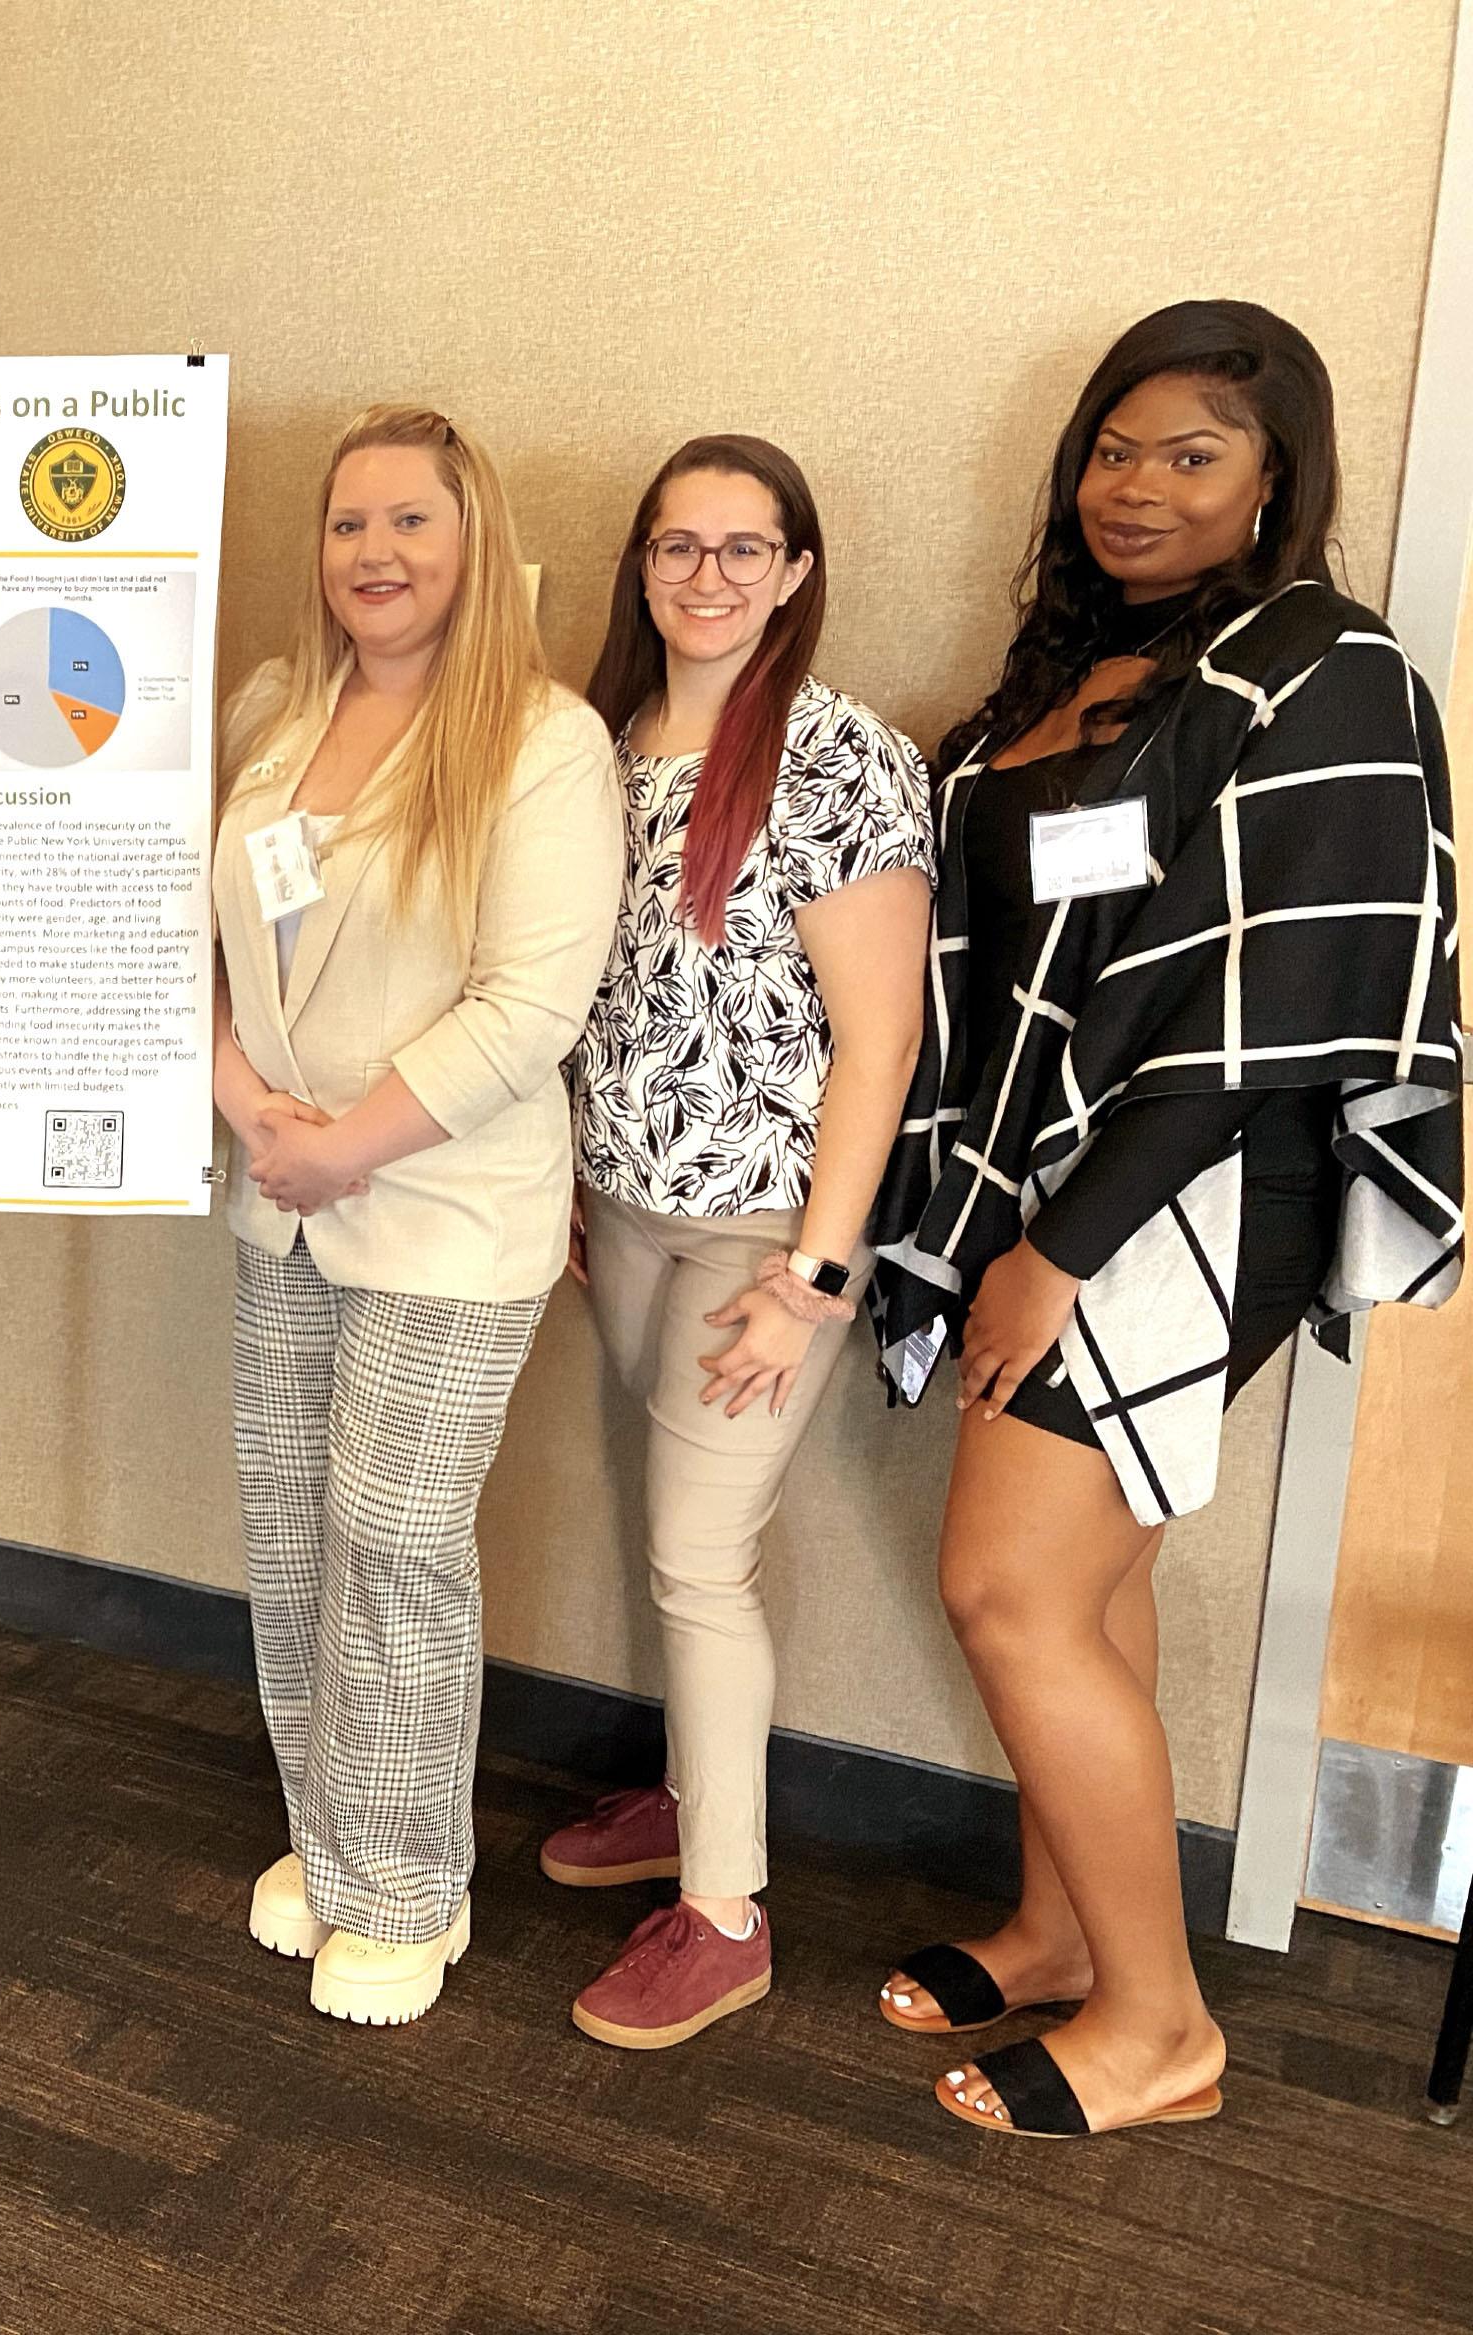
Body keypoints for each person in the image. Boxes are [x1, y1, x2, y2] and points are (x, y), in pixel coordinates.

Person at [868, 302, 1460, 2136]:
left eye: (1189, 453)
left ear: (1277, 475)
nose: (1136, 487)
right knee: (1092, 1587)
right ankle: (1060, 1934)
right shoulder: (1097, 663)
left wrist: (1059, 1252)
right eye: (1111, 452)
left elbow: (1269, 1006)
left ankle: (1164, 2024)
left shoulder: (1322, 668)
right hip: (1043, 1179)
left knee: (1008, 1588)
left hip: (1189, 1189)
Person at [212, 404, 622, 2026]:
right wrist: (252, 1114)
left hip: (448, 1211)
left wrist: (347, 1142)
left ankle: (404, 1888)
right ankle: (329, 1833)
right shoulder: (271, 713)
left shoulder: (540, 740)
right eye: (346, 524)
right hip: (279, 1200)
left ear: (472, 544)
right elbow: (197, 951)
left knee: (392, 1538)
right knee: (292, 1527)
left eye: (409, 524)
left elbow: (532, 1006)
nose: (373, 554)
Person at [545, 437, 932, 2048]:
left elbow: (882, 1042)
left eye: (742, 548)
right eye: (675, 546)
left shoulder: (840, 761)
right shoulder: (597, 740)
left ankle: (723, 1911)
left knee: (699, 1562)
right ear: (641, 566)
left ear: (794, 570)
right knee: (673, 1524)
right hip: (620, 1209)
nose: (706, 576)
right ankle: (698, 1790)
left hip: (762, 1234)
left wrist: (813, 1281)